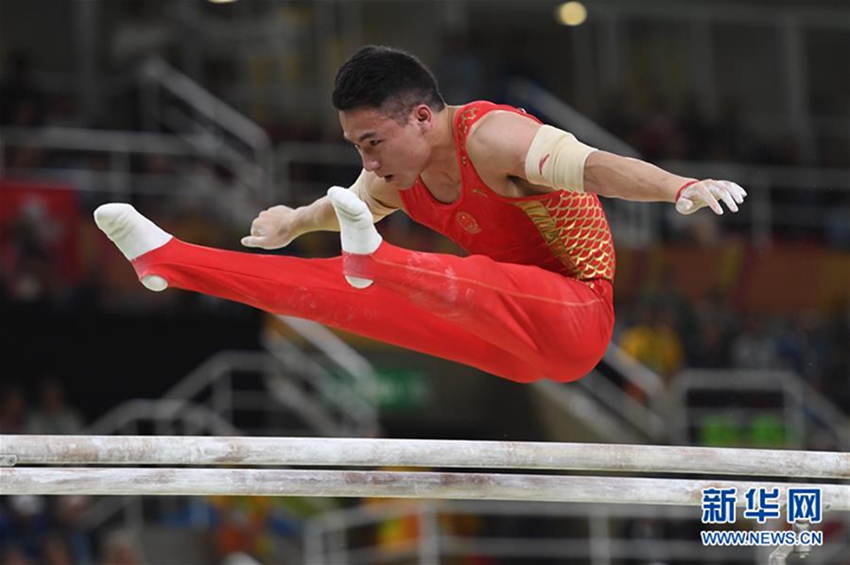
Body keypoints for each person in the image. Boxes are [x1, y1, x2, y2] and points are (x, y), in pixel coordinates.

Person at [94, 46, 746, 384]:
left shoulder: (492, 138)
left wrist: (677, 186)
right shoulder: (395, 176)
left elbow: (595, 164)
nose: (366, 162)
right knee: (334, 289)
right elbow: (341, 204)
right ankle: (170, 261)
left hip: (577, 318)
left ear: (424, 118)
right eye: (355, 147)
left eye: (371, 143)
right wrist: (294, 220)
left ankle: (377, 259)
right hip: (503, 342)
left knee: (400, 268)